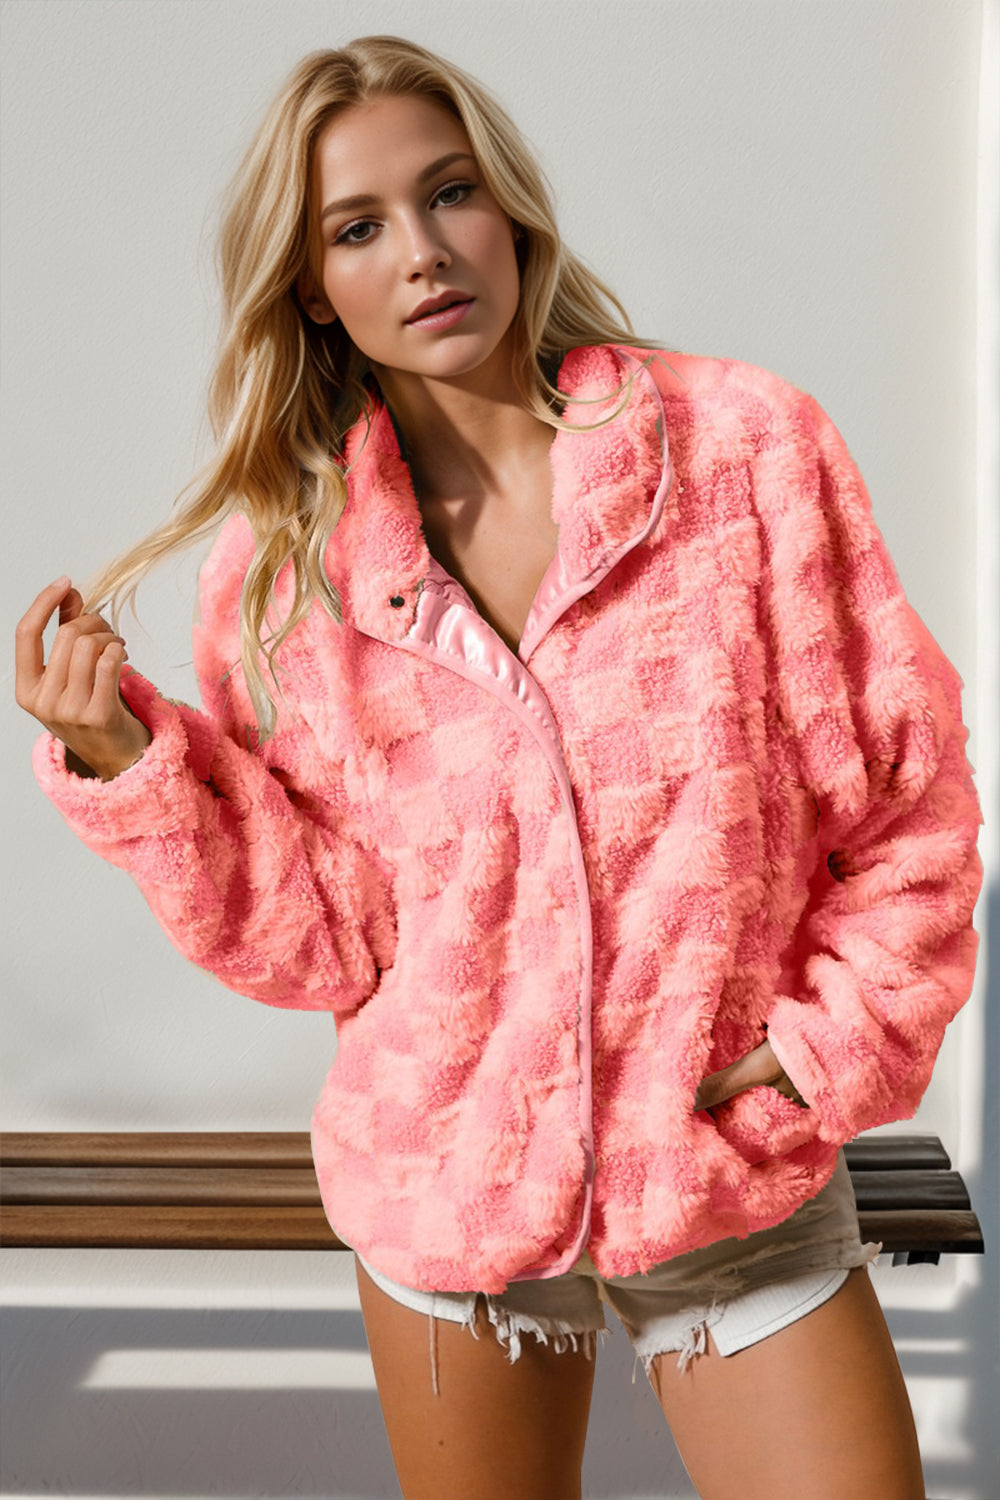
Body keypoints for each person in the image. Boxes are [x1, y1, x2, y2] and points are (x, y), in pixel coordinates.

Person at [14, 35, 983, 1500]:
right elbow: (331, 938)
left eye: (449, 192)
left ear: (511, 209)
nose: (422, 250)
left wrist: (823, 1049)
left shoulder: (740, 453)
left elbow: (911, 808)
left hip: (723, 1159)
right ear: (312, 287)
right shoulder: (288, 576)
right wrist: (127, 758)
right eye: (357, 227)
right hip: (453, 1178)